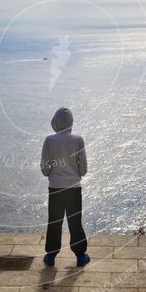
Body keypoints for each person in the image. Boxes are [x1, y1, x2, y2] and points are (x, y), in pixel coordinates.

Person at [40, 106, 90, 267]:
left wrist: (52, 174)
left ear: (56, 122)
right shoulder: (78, 140)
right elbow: (83, 168)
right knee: (75, 222)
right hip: (74, 188)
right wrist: (75, 174)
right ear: (70, 122)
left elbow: (44, 167)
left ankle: (51, 256)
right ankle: (80, 256)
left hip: (55, 188)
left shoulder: (49, 140)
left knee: (54, 221)